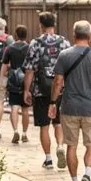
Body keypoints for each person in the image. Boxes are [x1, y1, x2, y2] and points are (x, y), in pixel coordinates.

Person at [50, 21, 91, 181]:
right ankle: (88, 173)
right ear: (90, 36)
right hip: (90, 108)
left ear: (74, 34)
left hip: (69, 107)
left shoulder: (64, 55)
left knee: (71, 146)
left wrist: (53, 103)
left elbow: (57, 82)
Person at [23, 12, 70, 169]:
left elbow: (29, 70)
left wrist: (26, 90)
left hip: (41, 90)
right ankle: (61, 147)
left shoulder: (35, 43)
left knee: (44, 125)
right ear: (54, 24)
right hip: (60, 89)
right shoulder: (64, 43)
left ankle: (48, 159)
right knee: (58, 123)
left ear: (41, 25)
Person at [1, 25, 31, 144]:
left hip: (13, 80)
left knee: (14, 106)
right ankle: (24, 134)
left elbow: (4, 66)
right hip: (26, 80)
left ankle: (15, 131)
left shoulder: (9, 48)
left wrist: (2, 81)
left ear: (16, 34)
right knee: (25, 109)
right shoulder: (30, 48)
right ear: (26, 35)